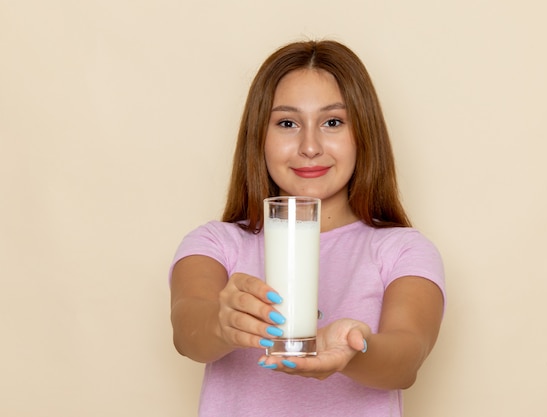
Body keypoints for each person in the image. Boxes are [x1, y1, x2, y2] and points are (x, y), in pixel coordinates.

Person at [169, 39, 445, 417]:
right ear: (259, 137)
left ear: (362, 133)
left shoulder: (402, 250)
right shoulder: (217, 244)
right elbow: (188, 334)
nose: (310, 146)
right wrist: (223, 322)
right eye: (287, 123)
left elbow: (406, 359)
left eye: (333, 122)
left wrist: (353, 348)